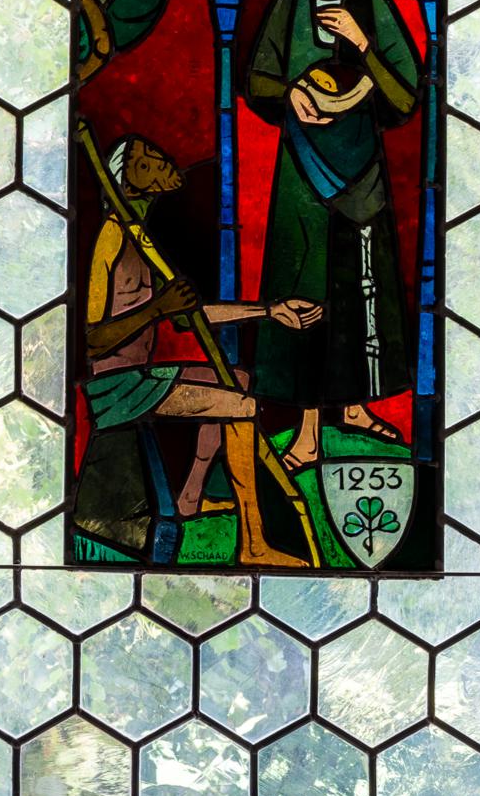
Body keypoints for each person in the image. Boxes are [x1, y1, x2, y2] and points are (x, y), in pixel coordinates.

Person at [74, 134, 320, 566]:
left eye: (155, 154)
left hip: (142, 380)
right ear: (126, 184)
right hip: (118, 389)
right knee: (241, 407)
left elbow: (191, 315)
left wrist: (269, 310)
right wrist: (158, 308)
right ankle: (254, 545)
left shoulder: (141, 240)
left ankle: (190, 497)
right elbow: (94, 338)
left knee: (238, 380)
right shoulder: (112, 237)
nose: (160, 161)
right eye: (145, 163)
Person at [245, 0, 422, 473]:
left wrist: (360, 40)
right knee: (306, 288)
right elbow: (258, 76)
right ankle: (307, 431)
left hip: (361, 169)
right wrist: (289, 94)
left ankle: (355, 408)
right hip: (302, 170)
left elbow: (405, 90)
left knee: (360, 289)